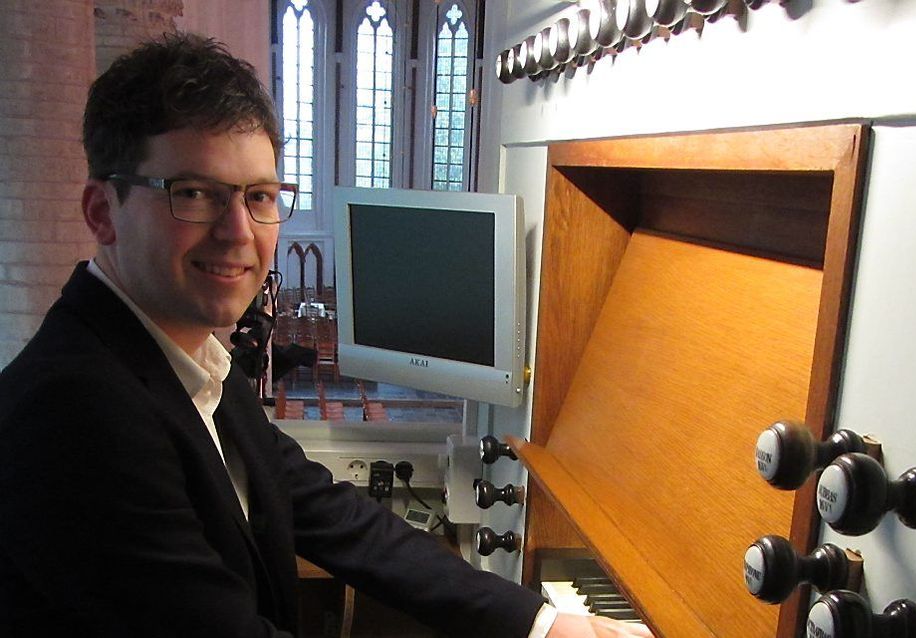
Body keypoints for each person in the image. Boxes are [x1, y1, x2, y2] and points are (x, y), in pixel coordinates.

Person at [0, 34, 653, 638]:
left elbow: (324, 508)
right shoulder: (73, 410)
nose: (238, 232)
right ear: (100, 211)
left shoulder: (184, 353)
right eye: (194, 193)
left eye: (259, 196)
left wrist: (543, 624)